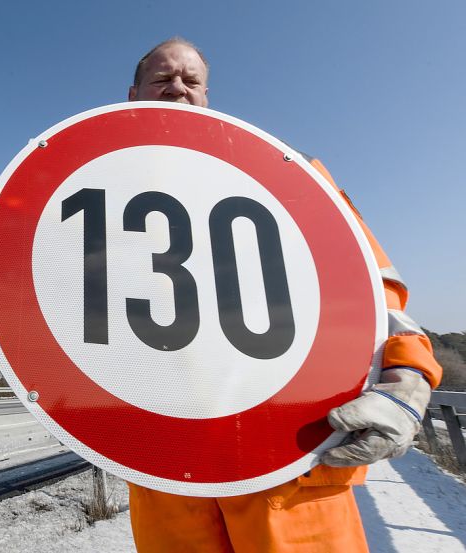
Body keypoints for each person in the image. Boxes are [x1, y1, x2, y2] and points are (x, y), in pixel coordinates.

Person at [125, 37, 443, 553]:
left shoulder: (290, 173)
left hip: (290, 459)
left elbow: (373, 291)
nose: (178, 90)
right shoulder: (97, 195)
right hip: (167, 469)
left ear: (208, 96)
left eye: (191, 81)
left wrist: (407, 380)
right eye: (162, 79)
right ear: (134, 93)